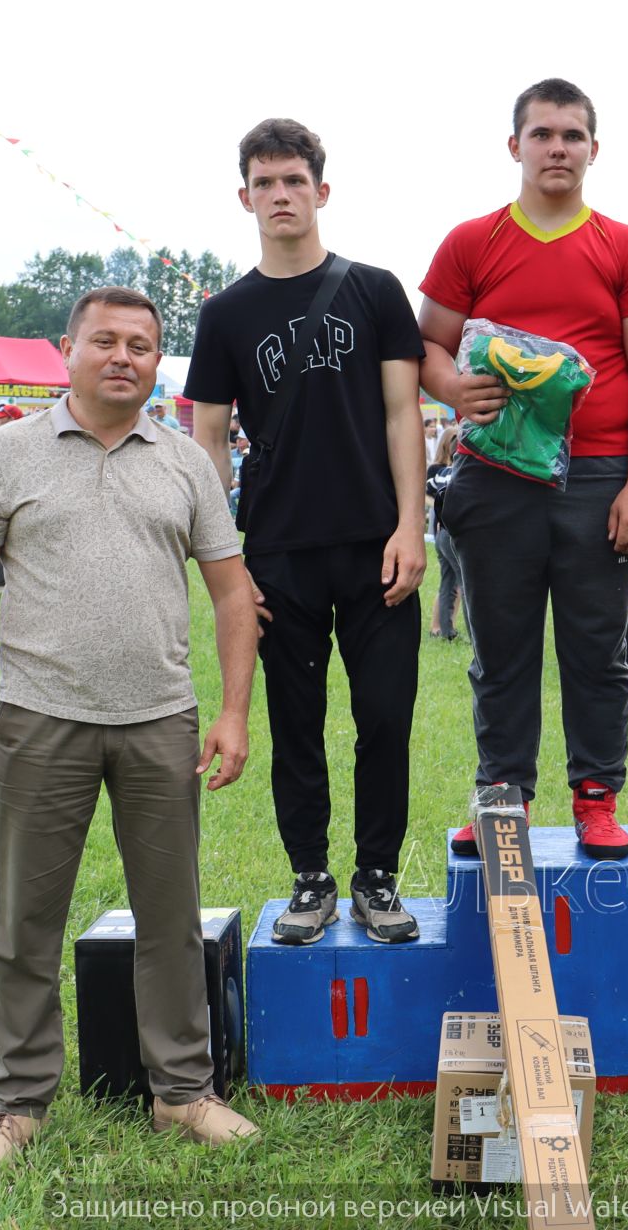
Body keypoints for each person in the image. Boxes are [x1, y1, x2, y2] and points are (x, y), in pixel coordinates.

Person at [0, 286, 261, 1188]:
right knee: (24, 924)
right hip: (40, 719)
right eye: (104, 341)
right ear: (66, 349)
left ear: (160, 361)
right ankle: (19, 1103)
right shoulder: (7, 454)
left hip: (160, 721)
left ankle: (182, 1091)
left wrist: (232, 712)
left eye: (142, 346)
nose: (124, 356)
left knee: (171, 922)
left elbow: (233, 592)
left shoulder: (188, 461)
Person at [418, 77, 628, 862]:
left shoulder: (626, 247)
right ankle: (505, 798)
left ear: (593, 149)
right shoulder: (473, 241)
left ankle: (596, 801)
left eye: (572, 135)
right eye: (542, 134)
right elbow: (426, 346)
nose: (557, 148)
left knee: (598, 649)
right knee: (501, 649)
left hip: (600, 477)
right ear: (515, 146)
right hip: (496, 476)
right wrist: (453, 387)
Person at [186, 118, 427, 947]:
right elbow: (208, 441)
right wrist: (226, 565)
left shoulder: (375, 290)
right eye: (266, 182)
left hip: (374, 544)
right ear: (244, 196)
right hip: (277, 550)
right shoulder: (225, 314)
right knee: (296, 721)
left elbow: (406, 415)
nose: (281, 195)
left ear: (322, 191)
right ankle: (312, 879)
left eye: (295, 181)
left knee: (385, 718)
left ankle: (377, 877)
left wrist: (412, 527)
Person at [426, 429, 464, 642]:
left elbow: (431, 492)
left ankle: (444, 630)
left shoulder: (439, 473)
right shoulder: (457, 474)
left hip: (441, 533)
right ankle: (472, 633)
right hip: (454, 534)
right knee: (466, 584)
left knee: (448, 582)